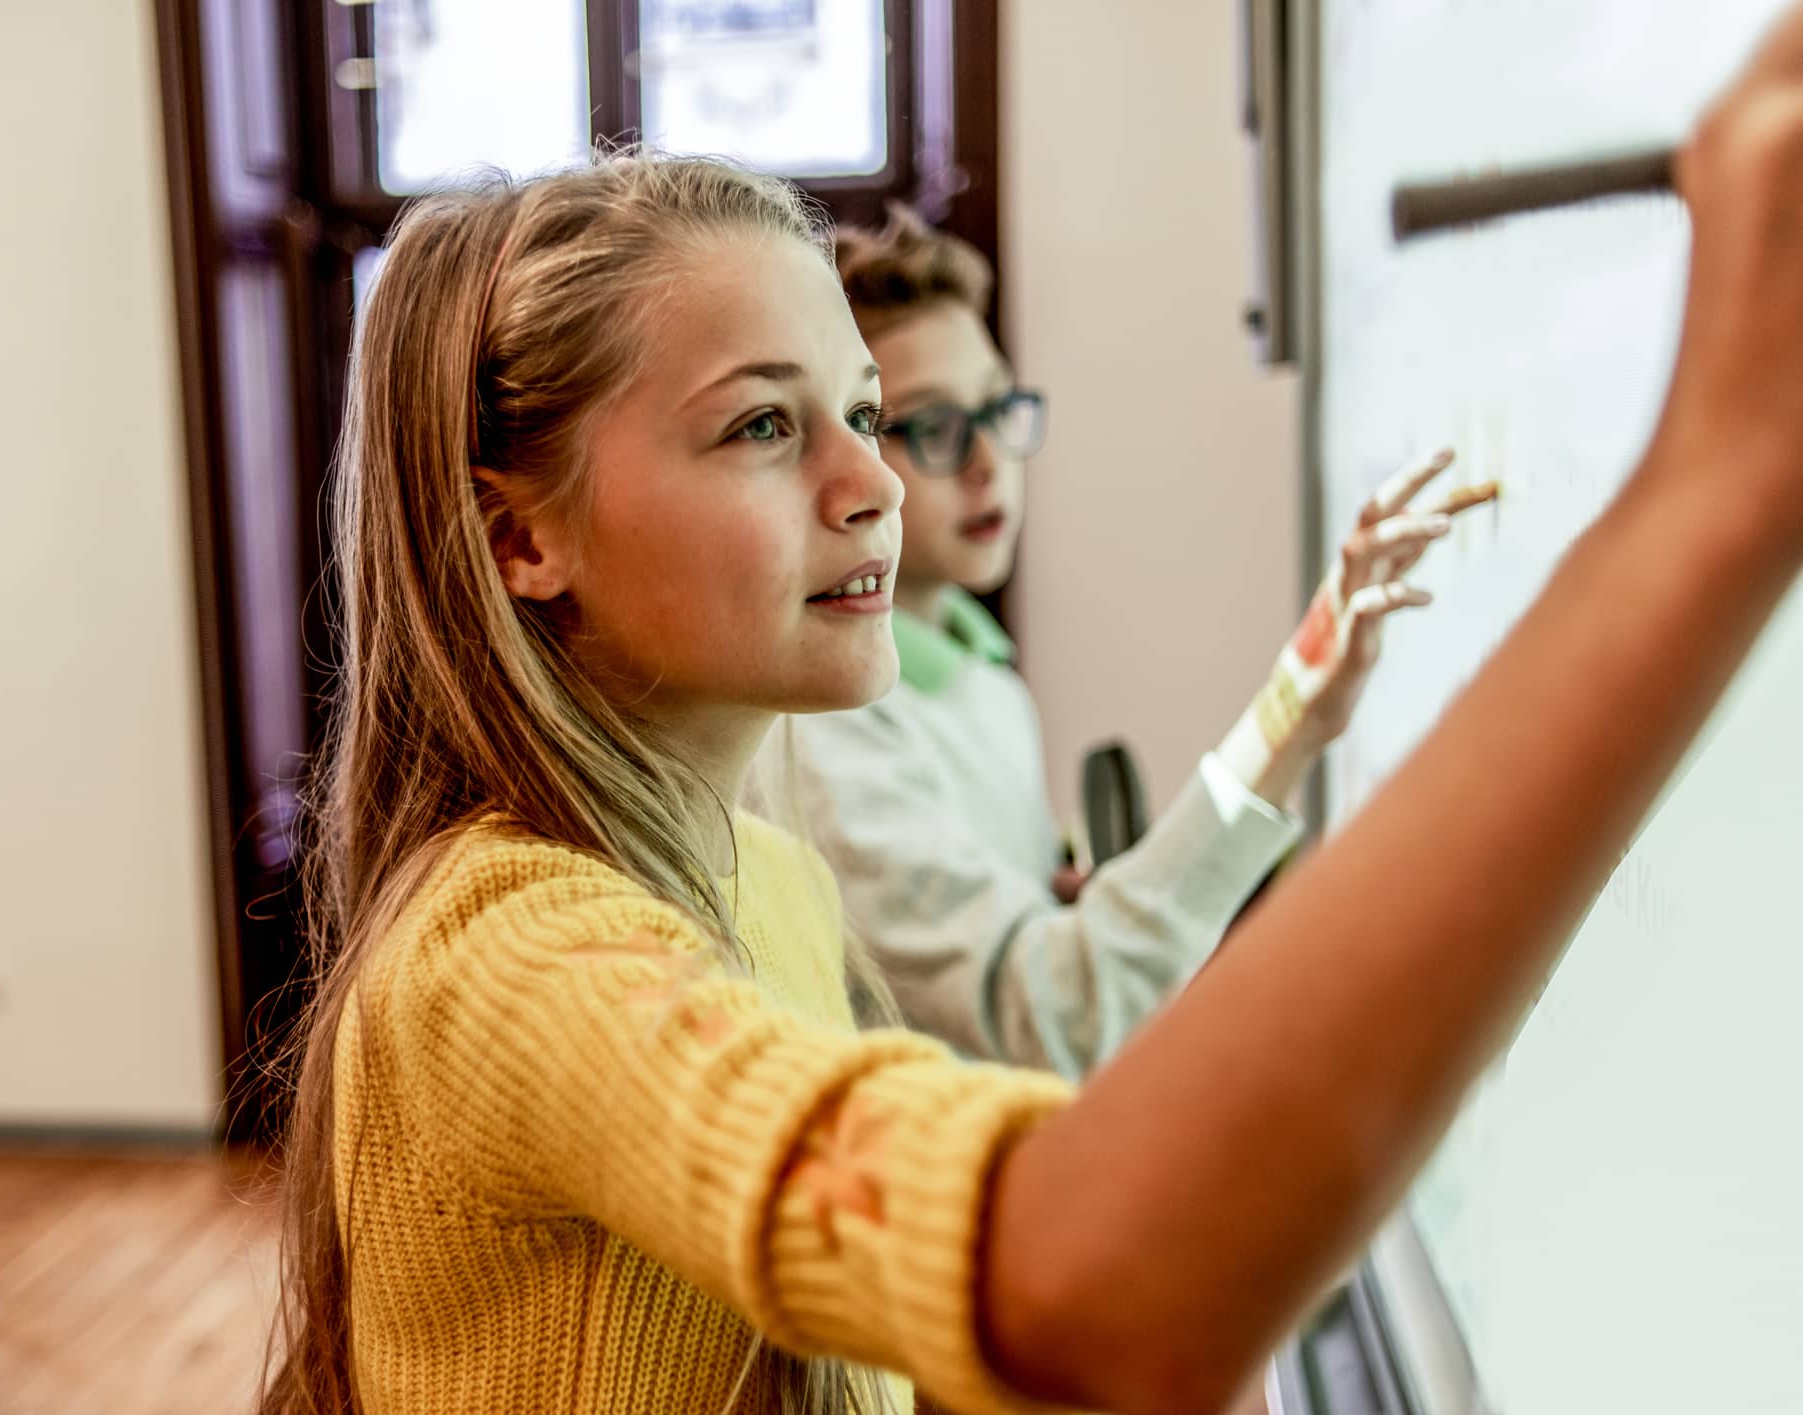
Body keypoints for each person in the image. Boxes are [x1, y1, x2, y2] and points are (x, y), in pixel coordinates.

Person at [259, 14, 1803, 1409]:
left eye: (864, 415)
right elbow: (1071, 1263)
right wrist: (1709, 493)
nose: (874, 484)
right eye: (758, 426)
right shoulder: (502, 956)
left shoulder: (775, 878)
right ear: (520, 536)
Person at [759, 208, 1475, 1074]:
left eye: (998, 408)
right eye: (935, 428)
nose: (988, 462)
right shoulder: (825, 727)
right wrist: (1293, 713)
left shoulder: (982, 674)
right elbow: (1057, 1013)